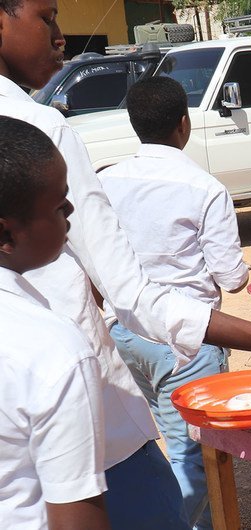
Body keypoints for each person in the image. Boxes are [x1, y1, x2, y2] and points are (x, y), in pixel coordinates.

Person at [0, 0, 251, 522]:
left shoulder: (105, 169)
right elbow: (141, 295)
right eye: (46, 17)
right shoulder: (40, 129)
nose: (60, 35)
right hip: (98, 416)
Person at [98, 77, 248, 530]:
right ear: (184, 124)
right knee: (192, 459)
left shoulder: (106, 181)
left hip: (125, 334)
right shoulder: (204, 188)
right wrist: (243, 272)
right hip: (185, 342)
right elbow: (231, 278)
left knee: (168, 436)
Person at [0, 116, 110, 530]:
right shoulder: (54, 352)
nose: (70, 210)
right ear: (6, 234)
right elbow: (75, 518)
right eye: (58, 203)